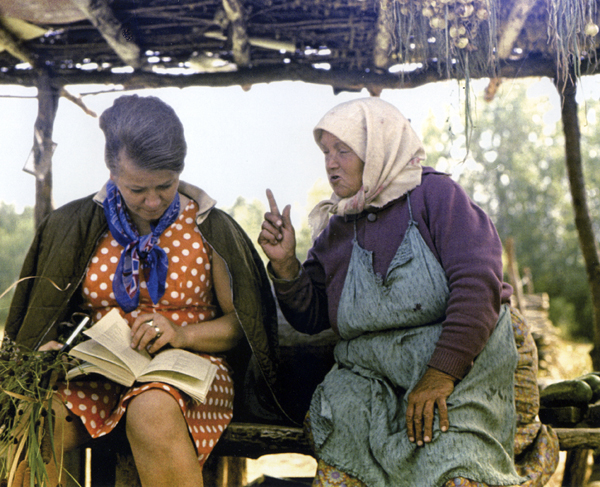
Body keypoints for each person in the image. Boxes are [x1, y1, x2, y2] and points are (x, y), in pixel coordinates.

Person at [258, 97, 559, 487]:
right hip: (375, 379)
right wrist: (286, 265)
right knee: (346, 463)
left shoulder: (436, 195)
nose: (331, 163)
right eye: (326, 152)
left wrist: (440, 374)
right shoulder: (339, 225)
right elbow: (313, 316)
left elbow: (478, 287)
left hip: (465, 367)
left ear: (378, 149)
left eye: (343, 150)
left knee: (455, 466)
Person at [6, 94, 287, 487]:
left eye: (165, 186)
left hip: (190, 373)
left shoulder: (210, 227)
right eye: (137, 189)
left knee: (151, 408)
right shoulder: (75, 225)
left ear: (180, 171)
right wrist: (50, 349)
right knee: (34, 415)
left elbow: (241, 325)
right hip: (98, 372)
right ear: (112, 172)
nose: (152, 201)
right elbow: (46, 314)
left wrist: (182, 335)